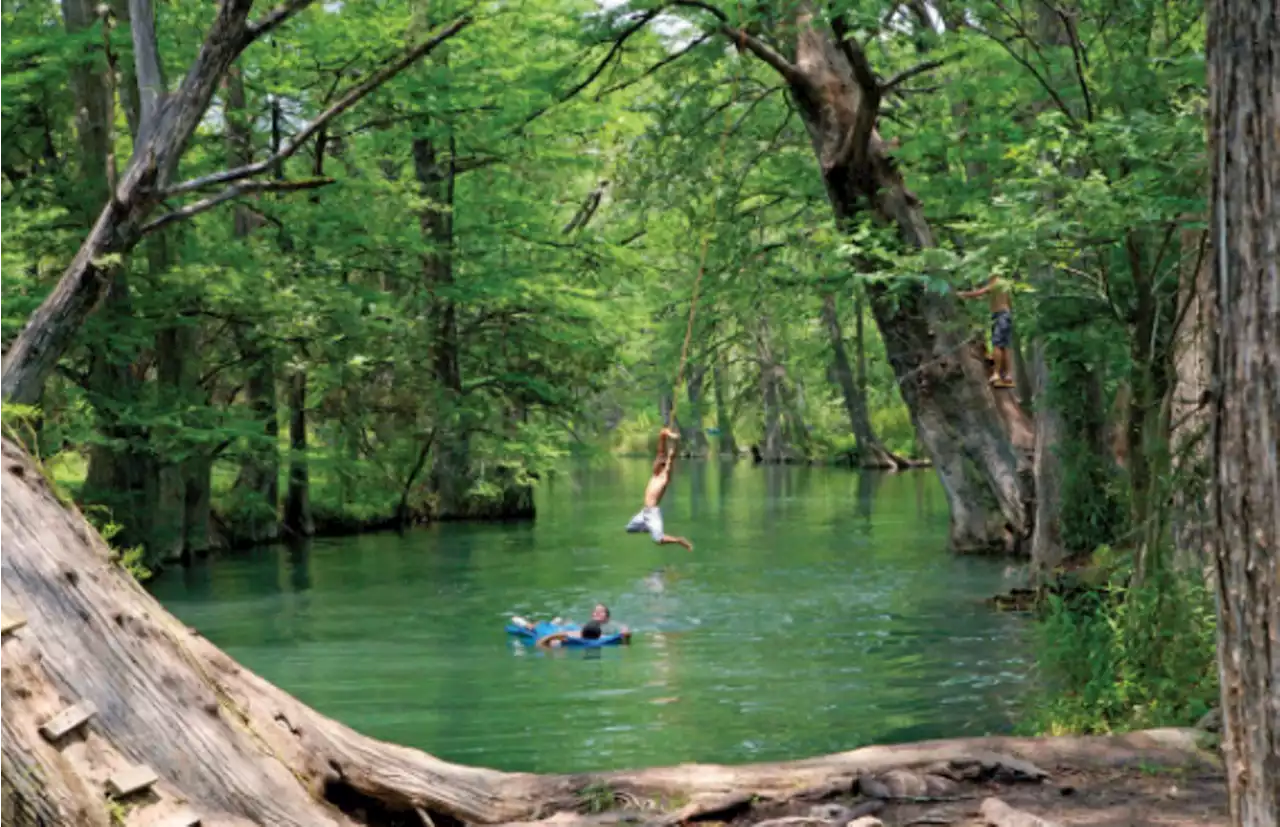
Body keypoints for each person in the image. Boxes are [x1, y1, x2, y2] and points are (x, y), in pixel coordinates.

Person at [625, 427, 693, 551]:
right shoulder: (654, 475)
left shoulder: (663, 478)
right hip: (644, 512)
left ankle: (679, 540)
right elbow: (661, 447)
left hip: (652, 513)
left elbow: (671, 459)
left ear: (661, 466)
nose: (654, 464)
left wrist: (675, 444)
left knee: (659, 540)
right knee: (629, 528)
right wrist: (665, 434)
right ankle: (650, 527)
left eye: (657, 463)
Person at [958, 275, 1015, 388]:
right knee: (1005, 345)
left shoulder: (996, 282)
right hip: (1006, 315)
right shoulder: (1006, 285)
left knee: (997, 344)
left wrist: (962, 294)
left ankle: (997, 374)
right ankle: (1008, 374)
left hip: (1000, 316)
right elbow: (1008, 302)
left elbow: (979, 292)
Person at [510, 604, 629, 646]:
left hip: (575, 633)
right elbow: (563, 634)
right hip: (566, 631)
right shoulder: (583, 628)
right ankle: (526, 624)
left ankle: (553, 623)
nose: (597, 613)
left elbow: (624, 633)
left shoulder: (611, 626)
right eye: (595, 611)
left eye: (601, 611)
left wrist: (625, 635)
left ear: (607, 617)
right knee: (540, 627)